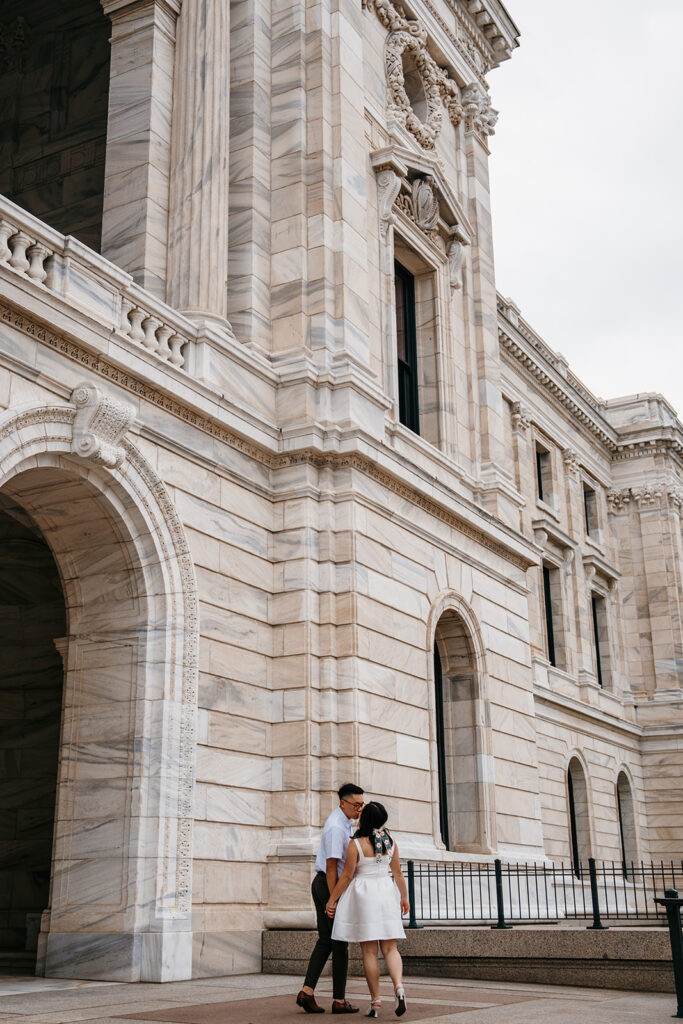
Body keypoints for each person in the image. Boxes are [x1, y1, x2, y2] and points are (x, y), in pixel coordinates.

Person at [326, 802, 409, 1018]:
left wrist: (332, 900)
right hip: (386, 892)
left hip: (365, 895)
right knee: (391, 948)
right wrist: (404, 898)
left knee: (369, 951)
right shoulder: (390, 842)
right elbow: (398, 873)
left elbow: (346, 876)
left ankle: (376, 1002)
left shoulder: (357, 843)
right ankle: (399, 987)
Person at [296, 783, 365, 1014]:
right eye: (356, 805)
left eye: (362, 805)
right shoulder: (336, 827)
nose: (359, 810)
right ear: (342, 803)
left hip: (323, 883)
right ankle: (339, 1000)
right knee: (340, 942)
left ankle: (307, 992)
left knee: (326, 941)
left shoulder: (344, 822)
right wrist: (334, 899)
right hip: (328, 884)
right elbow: (332, 865)